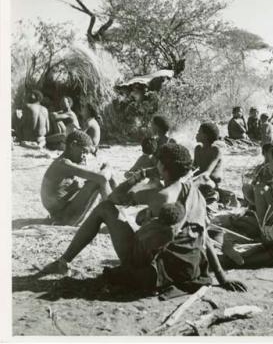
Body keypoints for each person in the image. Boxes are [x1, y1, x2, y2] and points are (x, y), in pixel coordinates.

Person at [39, 143, 247, 294]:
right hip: (187, 269)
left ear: (163, 167)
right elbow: (205, 239)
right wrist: (222, 277)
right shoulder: (195, 193)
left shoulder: (161, 195)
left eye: (158, 163)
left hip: (156, 270)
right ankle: (64, 261)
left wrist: (140, 175)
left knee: (104, 208)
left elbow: (114, 198)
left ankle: (64, 260)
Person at [219, 145, 273, 265]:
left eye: (269, 161)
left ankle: (242, 255)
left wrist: (266, 223)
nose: (267, 164)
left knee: (260, 189)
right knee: (258, 190)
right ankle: (243, 253)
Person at [40, 131, 116, 226]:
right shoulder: (63, 164)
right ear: (73, 145)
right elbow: (102, 178)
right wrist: (108, 167)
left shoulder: (64, 162)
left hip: (61, 213)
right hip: (65, 218)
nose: (84, 156)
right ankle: (115, 218)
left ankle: (118, 207)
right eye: (83, 151)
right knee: (99, 179)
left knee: (101, 175)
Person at [193, 122, 223, 217]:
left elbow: (208, 172)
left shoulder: (215, 150)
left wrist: (194, 180)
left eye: (199, 132)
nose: (196, 134)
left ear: (206, 136)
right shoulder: (197, 149)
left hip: (211, 182)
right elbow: (193, 168)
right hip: (201, 180)